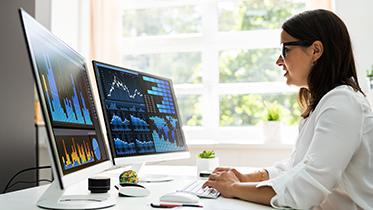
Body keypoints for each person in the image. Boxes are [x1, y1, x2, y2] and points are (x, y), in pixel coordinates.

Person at [203, 9, 373, 209]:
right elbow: (296, 167)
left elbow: (307, 188)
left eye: (285, 49)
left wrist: (234, 188)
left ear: (316, 50)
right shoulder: (325, 102)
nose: (278, 61)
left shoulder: (343, 102)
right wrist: (245, 178)